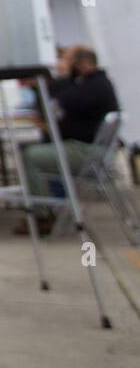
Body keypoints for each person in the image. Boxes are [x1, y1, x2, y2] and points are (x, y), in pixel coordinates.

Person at [20, 46, 119, 232]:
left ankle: (43, 215)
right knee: (42, 147)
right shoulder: (93, 83)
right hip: (87, 148)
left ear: (82, 63)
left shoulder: (93, 86)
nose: (62, 65)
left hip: (86, 151)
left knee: (30, 156)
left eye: (67, 61)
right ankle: (50, 205)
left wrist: (62, 78)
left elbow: (58, 102)